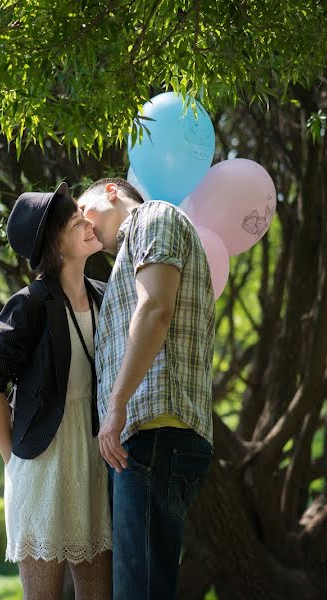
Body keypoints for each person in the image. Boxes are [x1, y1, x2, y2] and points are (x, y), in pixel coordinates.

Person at [77, 178, 215, 599]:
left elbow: (155, 308)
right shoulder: (129, 253)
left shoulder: (154, 216)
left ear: (112, 192)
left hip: (155, 435)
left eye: (84, 209)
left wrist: (116, 407)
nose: (83, 227)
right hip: (151, 440)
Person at [0, 182, 112, 600]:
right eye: (75, 223)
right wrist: (13, 458)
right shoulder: (29, 304)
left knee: (98, 592)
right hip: (42, 462)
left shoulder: (104, 295)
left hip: (94, 453)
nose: (89, 223)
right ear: (57, 245)